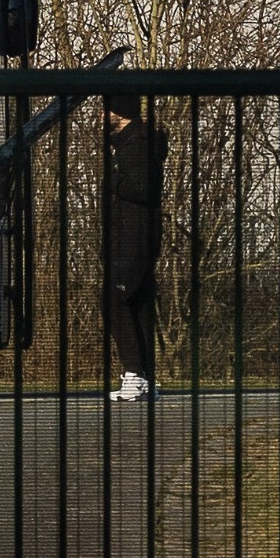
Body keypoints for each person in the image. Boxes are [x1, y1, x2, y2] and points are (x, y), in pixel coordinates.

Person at [104, 94, 167, 403]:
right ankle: (143, 376)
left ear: (121, 113)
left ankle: (134, 372)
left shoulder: (137, 145)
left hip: (133, 238)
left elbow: (143, 188)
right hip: (133, 236)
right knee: (137, 304)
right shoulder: (134, 143)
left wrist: (113, 179)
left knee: (113, 299)